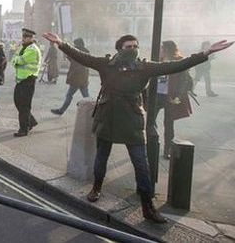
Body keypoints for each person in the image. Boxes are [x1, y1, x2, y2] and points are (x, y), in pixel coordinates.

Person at [42, 32, 233, 223]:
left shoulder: (145, 67)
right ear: (119, 48)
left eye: (135, 46)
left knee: (141, 165)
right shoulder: (105, 64)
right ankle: (97, 187)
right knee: (102, 156)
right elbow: (82, 57)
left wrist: (206, 52)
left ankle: (147, 206)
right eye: (128, 47)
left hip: (132, 119)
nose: (133, 50)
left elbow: (176, 65)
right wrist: (61, 43)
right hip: (108, 116)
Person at [151, 40, 195, 159]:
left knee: (169, 124)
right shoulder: (156, 61)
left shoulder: (179, 62)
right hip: (157, 95)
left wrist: (178, 96)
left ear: (167, 50)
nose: (159, 51)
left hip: (170, 97)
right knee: (150, 120)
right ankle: (151, 145)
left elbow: (184, 81)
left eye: (161, 49)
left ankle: (168, 150)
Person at [11, 28, 42, 137]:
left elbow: (19, 60)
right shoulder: (24, 48)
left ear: (31, 38)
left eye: (26, 37)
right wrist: (16, 59)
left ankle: (24, 129)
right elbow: (13, 61)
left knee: (24, 106)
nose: (23, 38)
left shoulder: (32, 49)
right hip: (21, 80)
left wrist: (16, 59)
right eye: (23, 36)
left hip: (28, 80)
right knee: (18, 102)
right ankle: (31, 121)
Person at [51, 38, 90, 115]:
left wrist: (67, 55)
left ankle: (61, 111)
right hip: (84, 77)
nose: (74, 45)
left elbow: (74, 61)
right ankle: (93, 110)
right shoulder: (86, 52)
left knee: (69, 95)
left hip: (76, 77)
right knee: (86, 97)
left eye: (75, 44)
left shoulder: (77, 52)